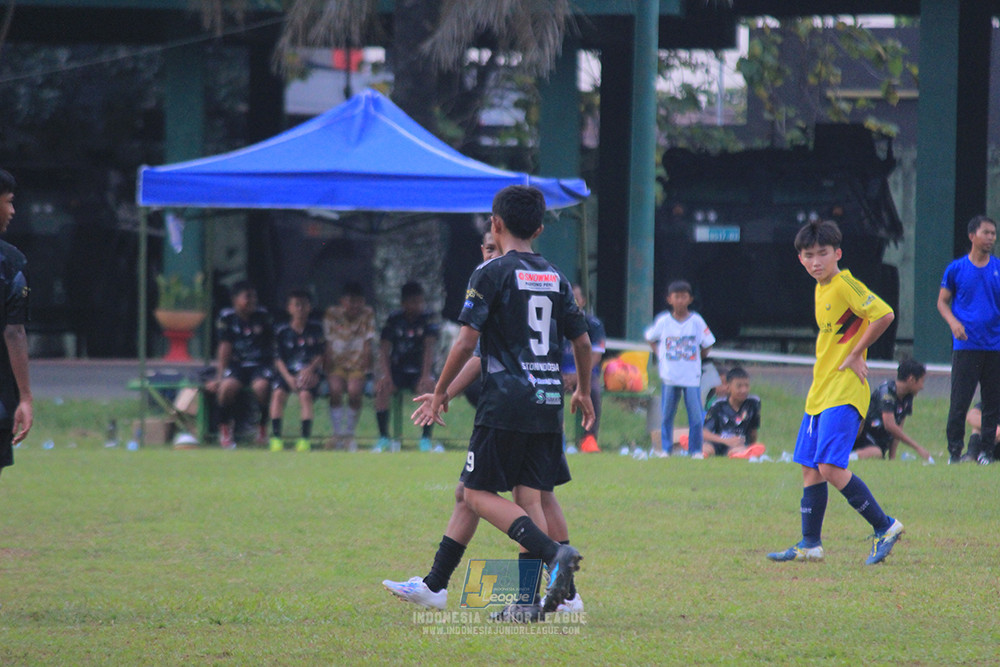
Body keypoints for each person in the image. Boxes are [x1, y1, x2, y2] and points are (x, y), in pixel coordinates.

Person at [395, 185, 592, 618]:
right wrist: (583, 390)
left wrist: (441, 390)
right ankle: (526, 601)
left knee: (474, 493)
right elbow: (582, 340)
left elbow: (467, 342)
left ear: (495, 224)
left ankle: (553, 557)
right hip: (546, 402)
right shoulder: (555, 276)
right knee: (528, 497)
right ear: (539, 228)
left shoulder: (492, 272)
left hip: (505, 403)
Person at [767, 219, 903, 566]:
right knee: (810, 468)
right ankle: (810, 543)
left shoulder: (844, 283)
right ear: (800, 259)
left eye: (822, 254)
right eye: (808, 255)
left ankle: (885, 526)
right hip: (821, 390)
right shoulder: (820, 288)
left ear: (837, 253)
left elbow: (883, 314)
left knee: (829, 465)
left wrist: (856, 354)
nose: (816, 261)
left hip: (844, 390)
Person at [936, 214, 1000, 465]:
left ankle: (986, 452)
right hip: (966, 346)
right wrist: (953, 323)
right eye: (986, 233)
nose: (991, 238)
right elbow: (942, 301)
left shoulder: (997, 268)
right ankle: (954, 452)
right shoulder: (956, 269)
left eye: (993, 234)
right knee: (960, 400)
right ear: (972, 236)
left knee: (992, 402)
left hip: (994, 346)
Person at [644, 280, 716, 458]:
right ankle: (666, 449)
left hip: (691, 376)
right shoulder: (663, 321)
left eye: (684, 297)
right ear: (669, 299)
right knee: (667, 414)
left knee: (696, 416)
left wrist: (698, 357)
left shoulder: (696, 321)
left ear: (690, 299)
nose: (680, 301)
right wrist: (660, 354)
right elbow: (650, 337)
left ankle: (695, 450)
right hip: (670, 376)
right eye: (677, 297)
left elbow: (708, 344)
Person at [205, 281, 274, 449]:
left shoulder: (263, 316)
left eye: (254, 297)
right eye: (247, 297)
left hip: (259, 364)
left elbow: (272, 344)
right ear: (235, 299)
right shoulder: (227, 317)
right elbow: (224, 347)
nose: (252, 301)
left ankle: (262, 428)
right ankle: (225, 431)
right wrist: (220, 377)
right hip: (237, 365)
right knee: (226, 388)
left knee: (262, 387)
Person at [373, 281, 440, 452]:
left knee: (430, 388)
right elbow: (384, 350)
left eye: (420, 302)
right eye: (413, 302)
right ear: (403, 303)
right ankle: (383, 438)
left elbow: (429, 349)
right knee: (381, 389)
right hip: (398, 370)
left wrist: (425, 375)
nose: (417, 306)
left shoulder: (428, 319)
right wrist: (386, 376)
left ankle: (425, 439)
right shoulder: (394, 320)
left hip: (419, 370)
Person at [0, 169, 32, 476]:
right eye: (8, 201)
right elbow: (14, 332)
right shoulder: (10, 264)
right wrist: (25, 396)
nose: (12, 211)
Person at [269, 290, 325, 453]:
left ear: (309, 308)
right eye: (296, 305)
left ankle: (304, 439)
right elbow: (277, 357)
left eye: (304, 305)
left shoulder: (316, 329)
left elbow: (321, 353)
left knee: (305, 396)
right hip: (287, 373)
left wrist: (309, 370)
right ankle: (276, 438)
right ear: (289, 308)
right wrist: (287, 377)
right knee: (278, 394)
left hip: (308, 373)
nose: (300, 309)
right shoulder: (281, 330)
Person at [323, 281, 375, 451]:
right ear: (342, 301)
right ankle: (338, 434)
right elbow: (329, 343)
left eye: (358, 301)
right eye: (350, 301)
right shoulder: (332, 314)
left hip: (356, 365)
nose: (354, 305)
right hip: (337, 364)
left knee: (354, 391)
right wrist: (327, 370)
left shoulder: (367, 314)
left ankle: (349, 434)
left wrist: (367, 369)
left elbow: (368, 342)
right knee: (335, 390)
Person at [851, 358, 932, 462]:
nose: (922, 387)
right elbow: (890, 425)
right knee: (876, 453)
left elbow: (898, 429)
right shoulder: (886, 393)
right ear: (911, 379)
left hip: (880, 443)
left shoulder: (908, 397)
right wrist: (917, 448)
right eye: (922, 381)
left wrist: (892, 458)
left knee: (879, 453)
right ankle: (847, 459)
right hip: (865, 437)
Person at [561, 284, 606, 453]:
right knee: (546, 391)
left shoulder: (593, 324)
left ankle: (589, 438)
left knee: (593, 390)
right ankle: (556, 438)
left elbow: (595, 354)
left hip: (585, 374)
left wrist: (579, 377)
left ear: (583, 301)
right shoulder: (554, 322)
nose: (572, 301)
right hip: (560, 373)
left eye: (576, 298)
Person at [701, 366, 765, 459]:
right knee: (706, 448)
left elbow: (753, 431)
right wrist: (725, 441)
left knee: (739, 449)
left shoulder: (753, 403)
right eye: (739, 386)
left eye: (746, 386)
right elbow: (704, 433)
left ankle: (744, 454)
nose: (744, 390)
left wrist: (752, 445)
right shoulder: (718, 405)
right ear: (728, 387)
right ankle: (699, 452)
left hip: (738, 444)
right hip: (718, 443)